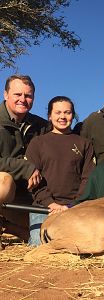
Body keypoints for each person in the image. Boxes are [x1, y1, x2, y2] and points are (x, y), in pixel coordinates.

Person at [25, 96, 95, 246]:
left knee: (79, 245)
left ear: (73, 115)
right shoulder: (37, 143)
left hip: (74, 207)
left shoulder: (84, 144)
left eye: (67, 112)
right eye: (57, 113)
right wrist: (50, 203)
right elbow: (33, 180)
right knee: (40, 245)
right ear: (50, 116)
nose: (62, 116)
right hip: (43, 207)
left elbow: (87, 178)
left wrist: (73, 205)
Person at [0, 75, 48, 241]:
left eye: (28, 96)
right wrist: (26, 167)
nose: (23, 99)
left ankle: (10, 227)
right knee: (3, 181)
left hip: (29, 194)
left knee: (43, 236)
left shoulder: (42, 126)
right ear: (6, 94)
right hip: (5, 191)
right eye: (17, 94)